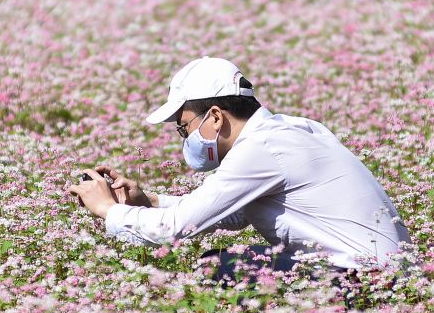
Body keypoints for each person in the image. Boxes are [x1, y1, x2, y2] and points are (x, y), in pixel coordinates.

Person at [68, 56, 413, 281]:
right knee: (226, 260)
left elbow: (174, 230)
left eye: (184, 126)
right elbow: (233, 215)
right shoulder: (290, 130)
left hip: (370, 281)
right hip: (386, 274)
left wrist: (107, 209)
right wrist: (150, 202)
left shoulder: (262, 149)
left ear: (215, 116)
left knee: (220, 268)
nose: (183, 137)